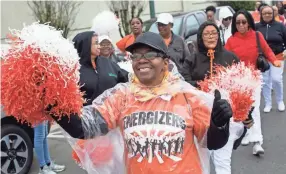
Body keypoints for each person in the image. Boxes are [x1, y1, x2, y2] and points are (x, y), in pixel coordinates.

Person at [50, 32, 233, 174]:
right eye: (136, 56)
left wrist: (219, 124)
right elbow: (83, 128)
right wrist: (49, 98)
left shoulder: (187, 96)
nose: (142, 60)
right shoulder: (122, 97)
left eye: (150, 54)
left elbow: (213, 143)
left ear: (165, 62)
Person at [181, 21, 253, 174]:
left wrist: (247, 114)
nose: (211, 36)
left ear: (219, 35)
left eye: (214, 33)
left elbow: (244, 85)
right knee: (202, 161)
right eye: (206, 34)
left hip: (226, 118)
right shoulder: (192, 59)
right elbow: (183, 82)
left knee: (222, 161)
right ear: (200, 37)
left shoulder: (230, 57)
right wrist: (206, 86)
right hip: (199, 118)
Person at [225, 9, 281, 155]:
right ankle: (247, 133)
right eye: (238, 22)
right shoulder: (231, 41)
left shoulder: (257, 35)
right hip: (237, 80)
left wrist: (274, 60)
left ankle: (257, 141)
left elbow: (267, 50)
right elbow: (225, 59)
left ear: (249, 22)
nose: (241, 25)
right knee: (241, 110)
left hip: (254, 77)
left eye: (244, 22)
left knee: (254, 109)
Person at [73, 31, 128, 106]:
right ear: (86, 45)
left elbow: (126, 79)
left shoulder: (108, 63)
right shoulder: (74, 70)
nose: (99, 46)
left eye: (98, 43)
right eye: (96, 43)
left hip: (113, 113)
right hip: (87, 115)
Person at [256, 5, 286, 112]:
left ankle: (280, 101)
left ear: (273, 14)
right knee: (265, 81)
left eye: (269, 13)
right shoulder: (257, 27)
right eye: (265, 13)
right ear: (261, 14)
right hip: (263, 59)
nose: (267, 15)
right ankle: (268, 103)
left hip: (277, 56)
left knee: (276, 79)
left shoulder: (280, 26)